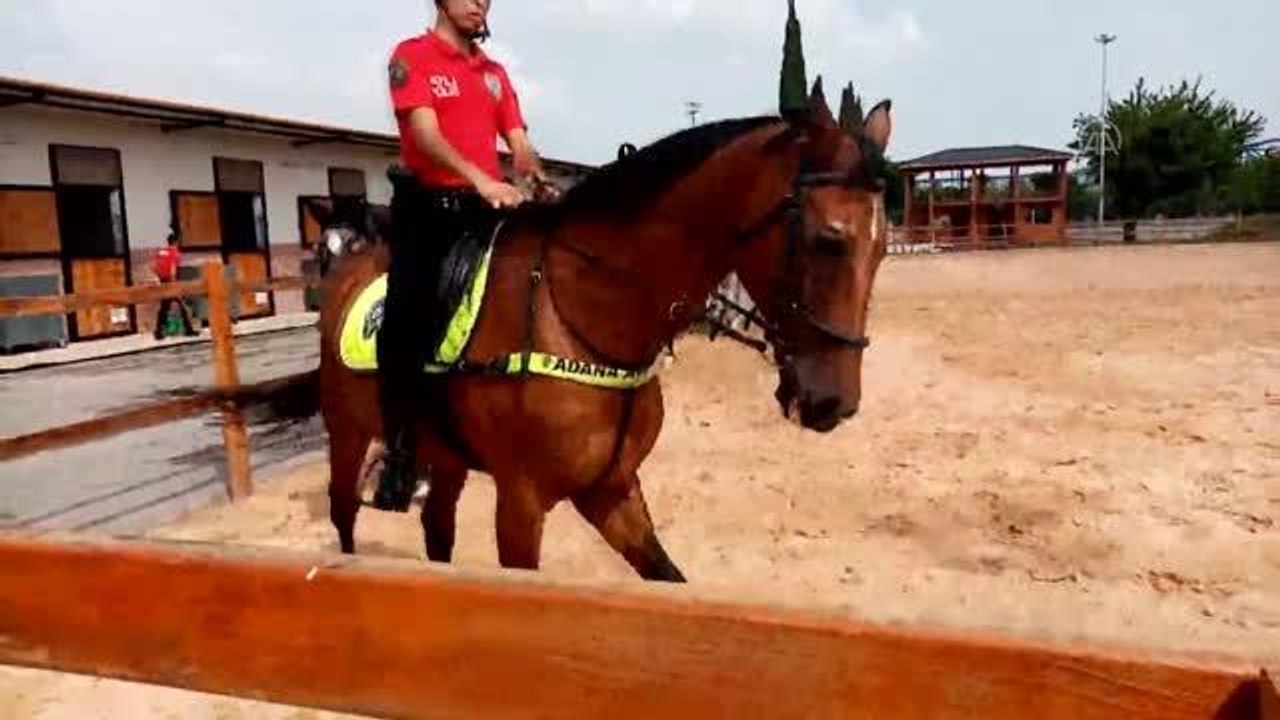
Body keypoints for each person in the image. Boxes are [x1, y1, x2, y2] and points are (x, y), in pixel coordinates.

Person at [375, 0, 552, 512]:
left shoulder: (494, 74)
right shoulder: (413, 57)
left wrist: (533, 176)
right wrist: (481, 180)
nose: (479, 4)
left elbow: (517, 142)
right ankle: (401, 456)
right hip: (428, 210)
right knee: (406, 317)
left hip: (487, 207)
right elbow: (425, 136)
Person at [153, 231, 197, 340]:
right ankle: (188, 330)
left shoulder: (161, 251)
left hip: (163, 280)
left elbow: (154, 267)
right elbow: (173, 268)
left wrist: (160, 278)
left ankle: (159, 332)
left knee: (164, 307)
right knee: (180, 306)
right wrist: (173, 283)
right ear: (176, 241)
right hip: (171, 281)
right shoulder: (175, 252)